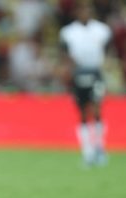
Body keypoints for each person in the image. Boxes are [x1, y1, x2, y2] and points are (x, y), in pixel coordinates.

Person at [59, 2, 112, 166]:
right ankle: (87, 151)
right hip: (78, 73)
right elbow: (65, 54)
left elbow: (108, 50)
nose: (84, 12)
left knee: (96, 108)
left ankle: (99, 148)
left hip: (95, 72)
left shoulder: (102, 29)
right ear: (76, 12)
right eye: (81, 10)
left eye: (87, 9)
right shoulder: (68, 32)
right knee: (82, 112)